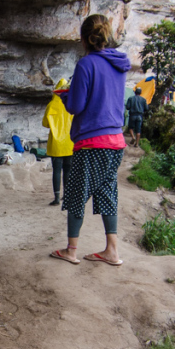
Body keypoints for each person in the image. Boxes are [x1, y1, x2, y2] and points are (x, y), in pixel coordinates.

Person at [50, 14, 130, 267]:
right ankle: (112, 251)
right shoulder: (119, 64)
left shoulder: (86, 64)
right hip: (116, 140)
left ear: (84, 39)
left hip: (92, 141)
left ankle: (71, 249)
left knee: (76, 194)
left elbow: (76, 105)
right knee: (107, 191)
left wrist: (64, 97)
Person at [43, 78, 74, 206]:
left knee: (56, 170)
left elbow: (45, 123)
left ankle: (56, 197)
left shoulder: (51, 105)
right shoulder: (72, 103)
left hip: (56, 144)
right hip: (70, 143)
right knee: (68, 170)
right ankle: (66, 196)